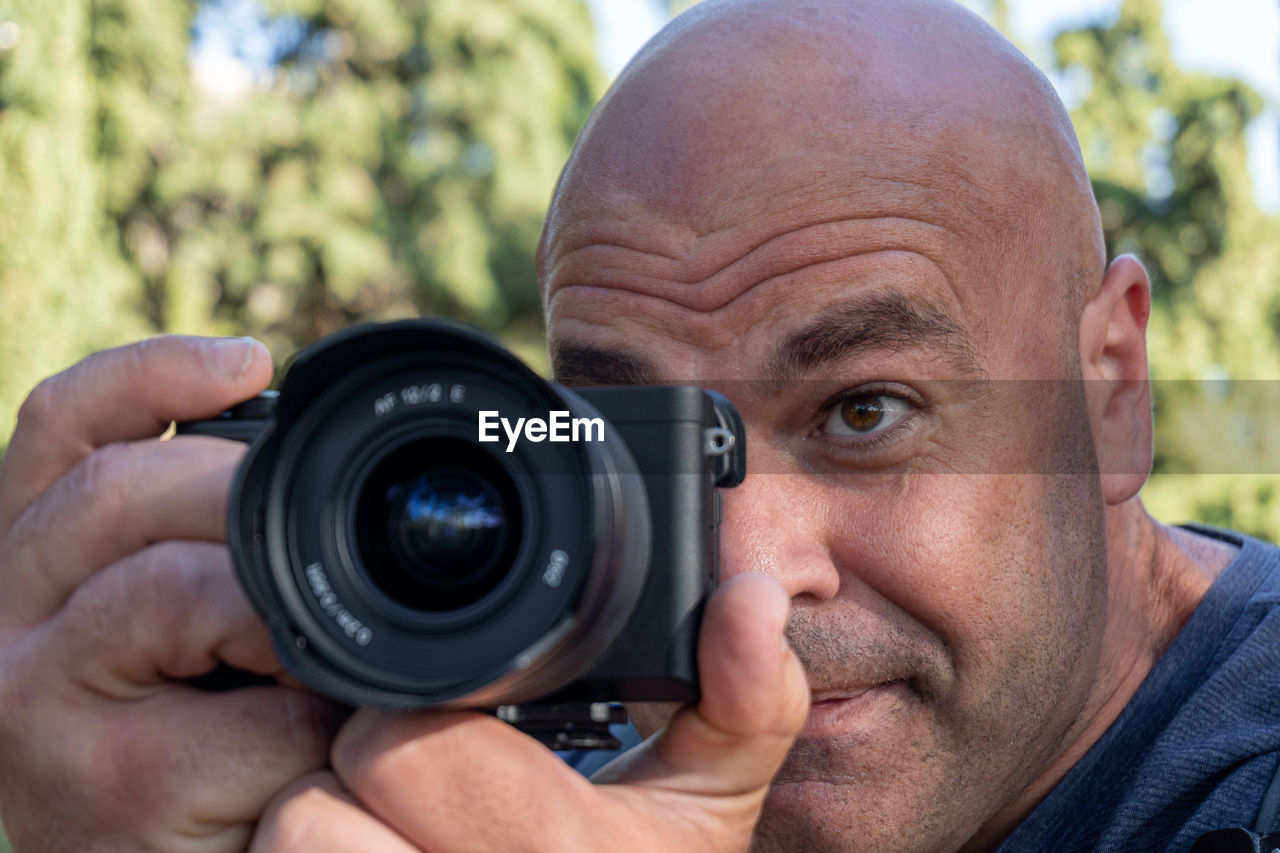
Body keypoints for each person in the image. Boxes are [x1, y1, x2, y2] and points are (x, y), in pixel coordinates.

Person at [2, 0, 1278, 850]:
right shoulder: (488, 746)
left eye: (862, 410)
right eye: (626, 437)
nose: (742, 575)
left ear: (1109, 386)